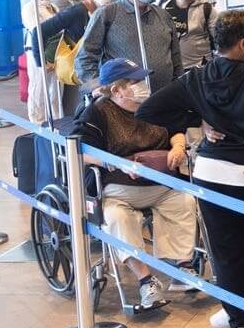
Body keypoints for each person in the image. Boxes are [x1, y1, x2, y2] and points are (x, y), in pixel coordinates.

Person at [136, 10, 244, 328]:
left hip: (210, 174)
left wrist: (200, 120)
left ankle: (237, 314)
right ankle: (240, 317)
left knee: (227, 251)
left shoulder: (196, 78)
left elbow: (148, 110)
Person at [75, 58, 197, 308]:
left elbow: (176, 128)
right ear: (117, 89)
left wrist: (177, 146)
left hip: (161, 184)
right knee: (118, 218)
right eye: (135, 82)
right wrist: (116, 163)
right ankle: (146, 281)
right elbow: (80, 150)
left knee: (185, 201)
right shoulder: (98, 113)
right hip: (119, 189)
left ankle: (182, 269)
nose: (143, 86)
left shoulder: (153, 106)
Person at [76, 0, 183, 91]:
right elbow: (86, 56)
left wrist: (178, 86)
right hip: (124, 99)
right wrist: (97, 87)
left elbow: (175, 56)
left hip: (164, 96)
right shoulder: (107, 14)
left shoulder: (163, 15)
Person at [30, 0, 114, 121]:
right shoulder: (77, 12)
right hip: (81, 69)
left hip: (101, 68)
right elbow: (39, 31)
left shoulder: (105, 11)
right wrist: (40, 61)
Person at [160, 0, 217, 70]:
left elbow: (218, 38)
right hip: (171, 67)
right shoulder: (164, 5)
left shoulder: (207, 9)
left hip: (199, 68)